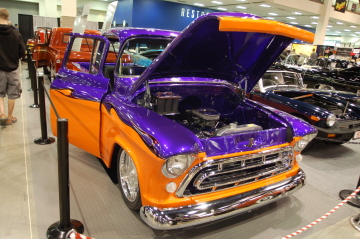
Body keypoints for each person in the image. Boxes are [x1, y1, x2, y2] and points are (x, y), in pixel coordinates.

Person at [0, 8, 26, 126]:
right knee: (12, 94)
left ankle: (2, 114)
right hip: (13, 68)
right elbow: (22, 51)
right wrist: (17, 58)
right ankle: (10, 117)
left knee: (0, 93)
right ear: (8, 18)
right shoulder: (16, 33)